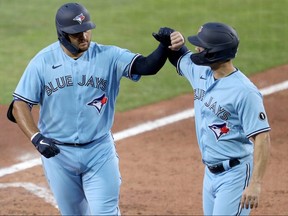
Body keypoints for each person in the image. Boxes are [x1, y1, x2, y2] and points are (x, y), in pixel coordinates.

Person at [6, 3, 177, 215]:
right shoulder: (42, 62)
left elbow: (146, 66)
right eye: (76, 33)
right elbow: (19, 104)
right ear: (62, 34)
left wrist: (163, 47)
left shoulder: (109, 56)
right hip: (59, 155)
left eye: (86, 30)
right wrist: (35, 137)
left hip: (99, 152)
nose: (84, 36)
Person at [154, 23, 271, 215]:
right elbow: (179, 56)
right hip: (210, 174)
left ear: (215, 52)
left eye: (202, 46)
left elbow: (262, 138)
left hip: (235, 174)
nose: (197, 49)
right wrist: (175, 38)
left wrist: (255, 184)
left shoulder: (244, 91)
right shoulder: (201, 72)